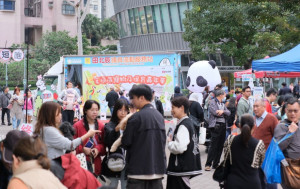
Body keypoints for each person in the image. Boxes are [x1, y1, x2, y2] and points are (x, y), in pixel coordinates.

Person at [122, 84, 166, 189]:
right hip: (157, 169)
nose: (132, 101)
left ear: (141, 98)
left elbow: (126, 142)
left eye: (133, 98)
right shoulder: (159, 116)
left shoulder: (136, 117)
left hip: (138, 170)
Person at [34, 101, 99, 159]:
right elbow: (70, 145)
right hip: (54, 165)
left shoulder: (43, 128)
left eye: (97, 110)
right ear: (51, 114)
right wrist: (88, 134)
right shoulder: (49, 130)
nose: (61, 115)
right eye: (58, 113)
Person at [167, 96, 202, 189]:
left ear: (181, 108)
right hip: (183, 167)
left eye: (173, 107)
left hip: (180, 168)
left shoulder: (184, 125)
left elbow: (180, 147)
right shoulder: (187, 123)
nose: (172, 110)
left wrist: (170, 143)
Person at [224, 114, 265, 189]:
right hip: (252, 183)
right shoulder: (259, 144)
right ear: (254, 126)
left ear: (239, 126)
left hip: (233, 182)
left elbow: (226, 158)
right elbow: (259, 163)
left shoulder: (230, 139)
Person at [73, 100, 106, 176]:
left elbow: (104, 145)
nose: (95, 112)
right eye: (92, 110)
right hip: (81, 162)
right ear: (85, 111)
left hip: (96, 163)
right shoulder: (77, 126)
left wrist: (98, 149)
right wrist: (82, 149)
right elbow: (72, 145)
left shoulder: (101, 126)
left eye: (97, 110)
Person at [252, 99, 278, 189]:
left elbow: (277, 137)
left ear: (263, 107)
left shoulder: (271, 119)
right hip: (256, 156)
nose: (255, 109)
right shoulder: (254, 119)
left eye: (257, 106)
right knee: (259, 180)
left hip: (268, 156)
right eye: (254, 106)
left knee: (270, 182)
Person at [103, 99, 129, 189]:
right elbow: (108, 141)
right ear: (115, 110)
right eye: (120, 110)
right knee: (112, 185)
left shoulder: (130, 125)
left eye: (125, 110)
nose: (123, 113)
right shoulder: (110, 125)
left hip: (127, 162)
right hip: (114, 161)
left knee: (125, 185)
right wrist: (117, 129)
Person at [274, 97, 300, 189]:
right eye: (290, 111)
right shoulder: (281, 126)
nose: (293, 114)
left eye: (295, 111)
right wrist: (290, 133)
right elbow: (278, 148)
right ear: (286, 111)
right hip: (289, 169)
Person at [205, 89, 231, 171]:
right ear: (220, 95)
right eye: (224, 94)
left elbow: (228, 113)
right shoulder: (212, 102)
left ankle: (216, 164)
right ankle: (208, 164)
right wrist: (222, 112)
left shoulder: (222, 103)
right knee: (213, 146)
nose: (225, 95)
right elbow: (215, 112)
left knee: (220, 146)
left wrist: (222, 111)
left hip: (223, 126)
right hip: (216, 126)